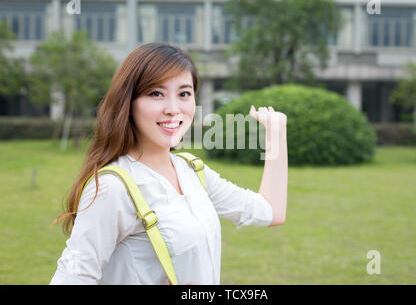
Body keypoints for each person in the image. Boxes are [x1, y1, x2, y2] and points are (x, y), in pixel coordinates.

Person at [50, 42, 288, 285]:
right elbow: (72, 278)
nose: (173, 109)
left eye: (184, 94)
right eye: (156, 93)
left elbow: (271, 211)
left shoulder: (192, 171)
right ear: (128, 102)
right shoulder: (114, 188)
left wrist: (276, 132)